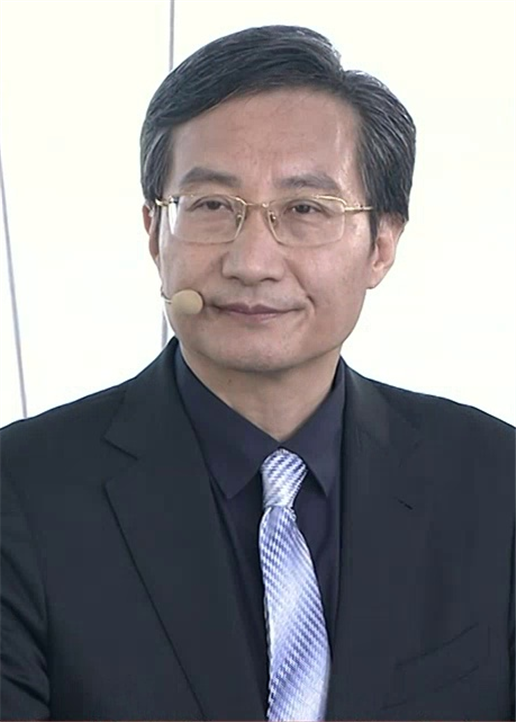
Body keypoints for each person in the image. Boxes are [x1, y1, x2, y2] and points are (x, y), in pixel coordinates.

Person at [0, 24, 514, 721]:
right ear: (154, 233)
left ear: (382, 245)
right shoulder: (21, 496)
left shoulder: (494, 482)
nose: (252, 263)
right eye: (212, 206)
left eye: (305, 210)